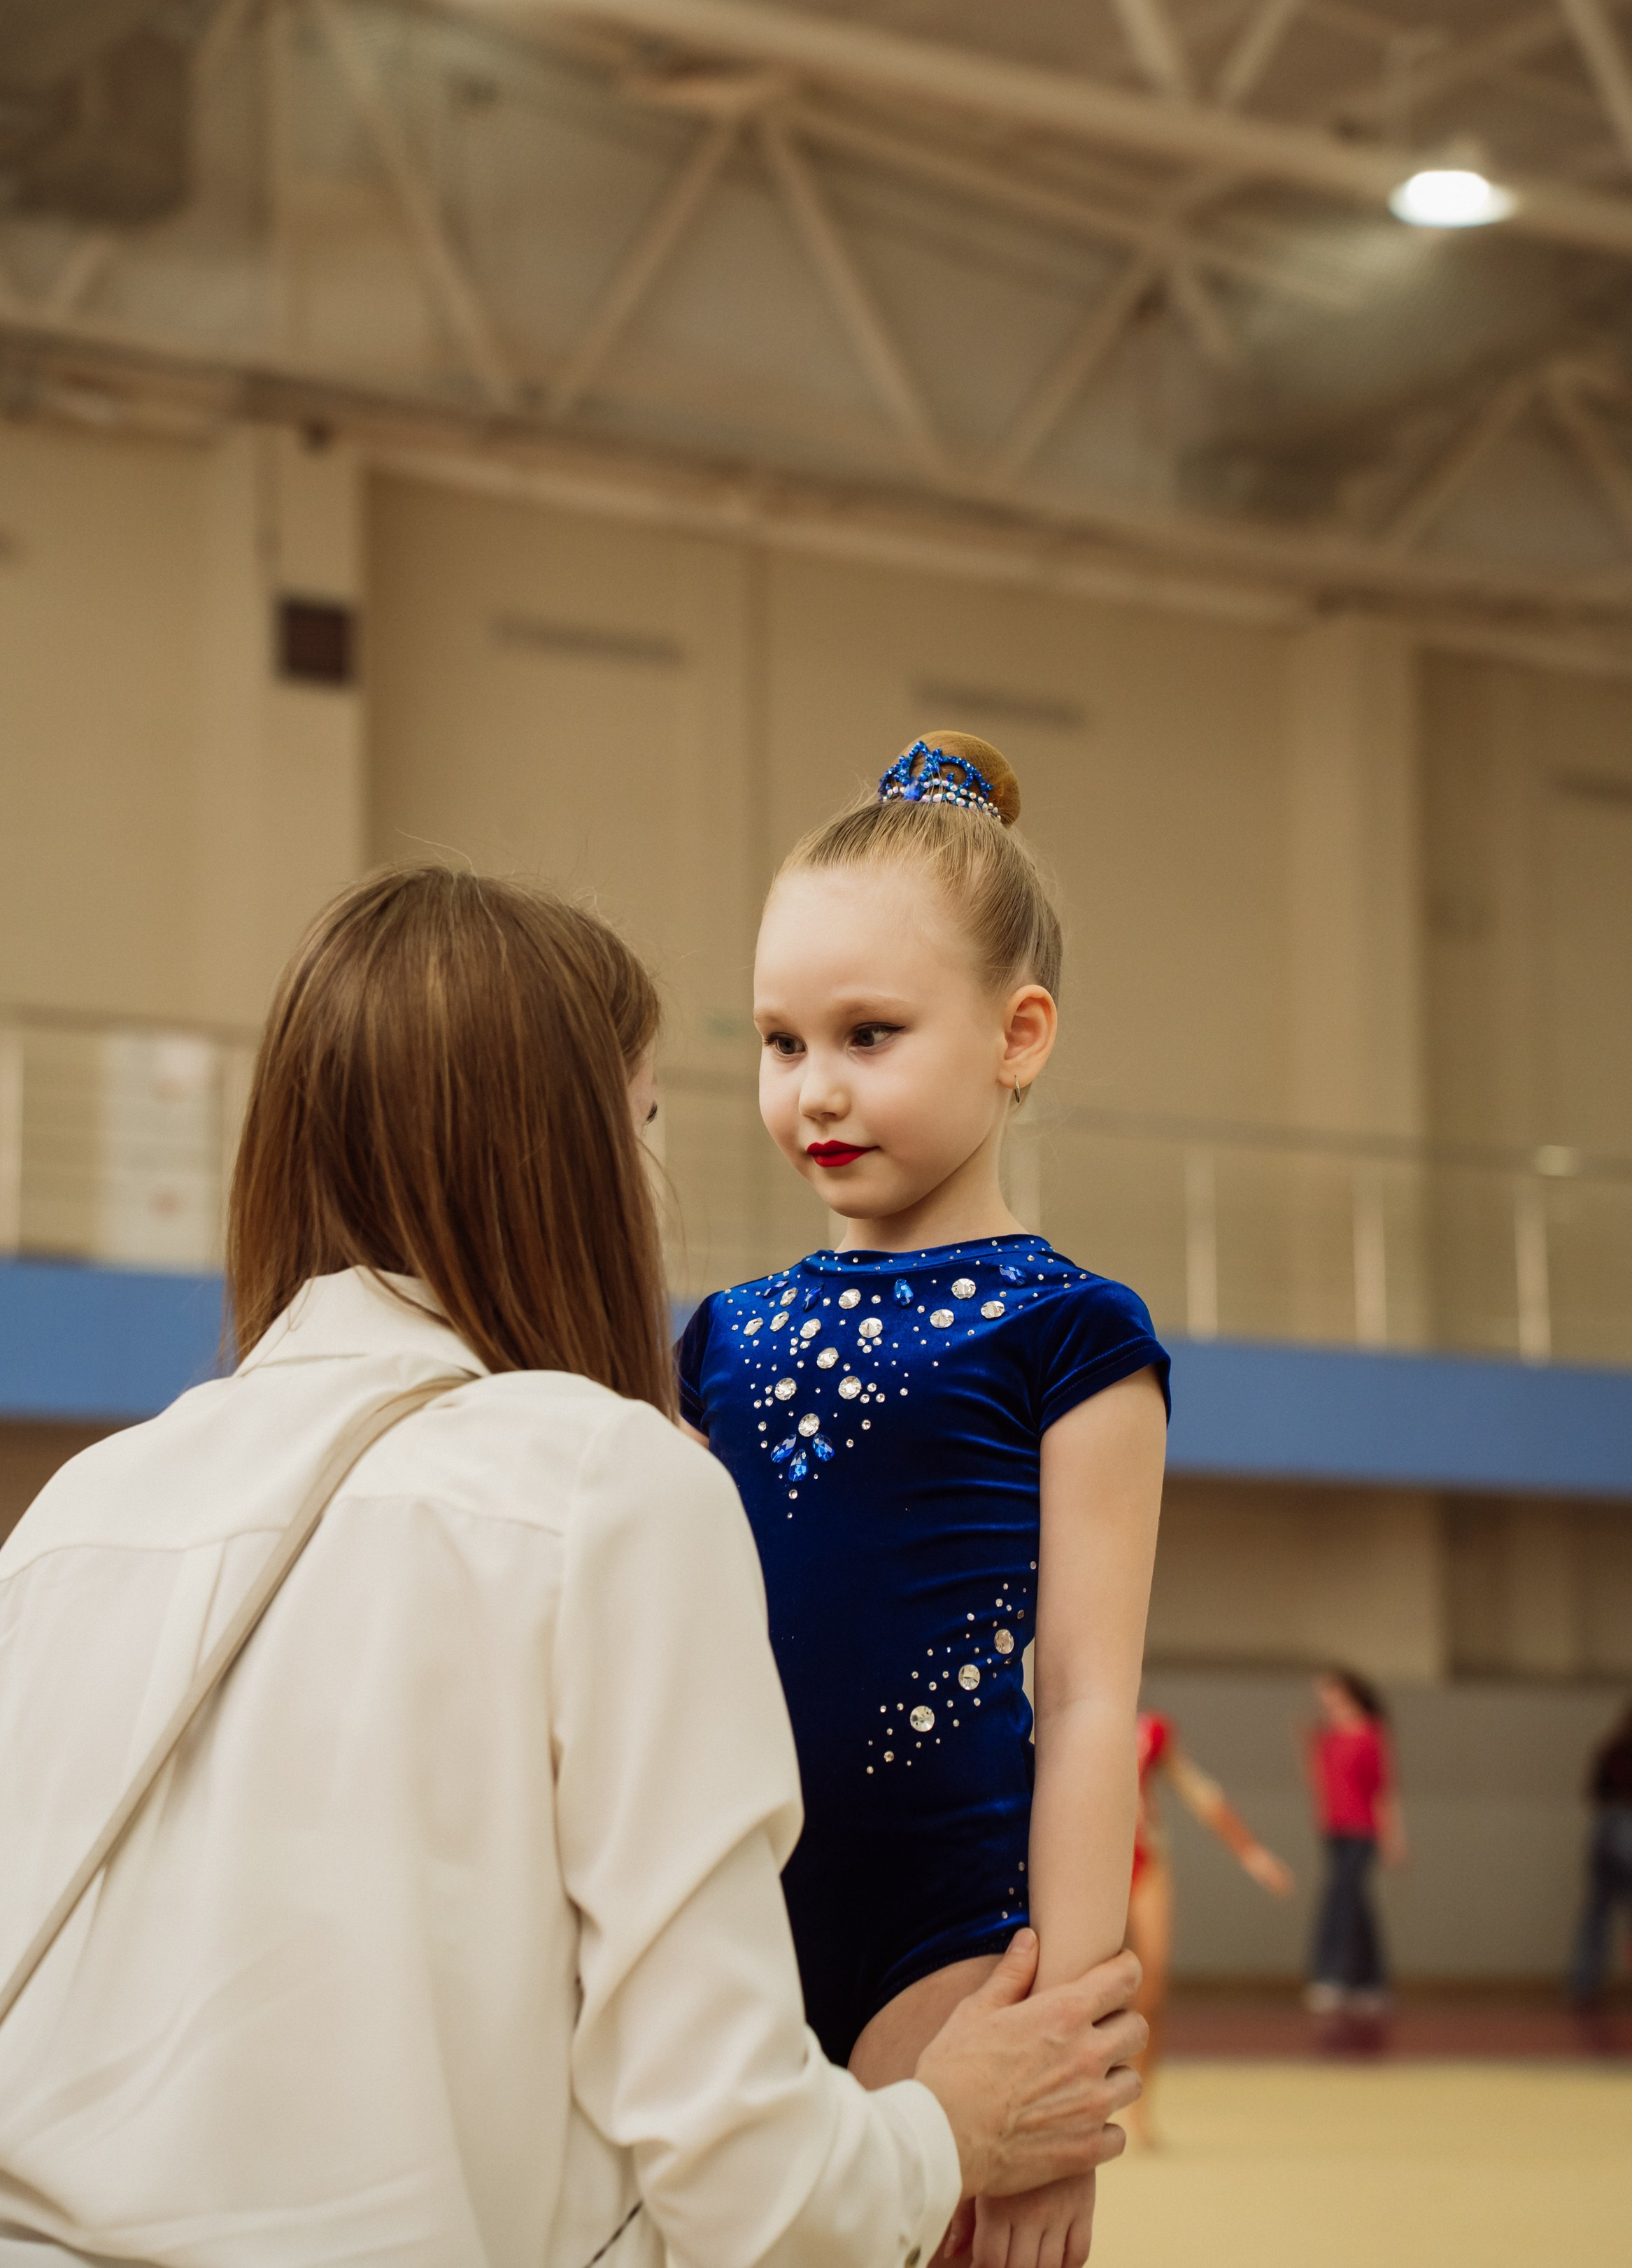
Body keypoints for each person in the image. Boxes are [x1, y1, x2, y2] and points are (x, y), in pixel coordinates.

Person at [0, 867, 1148, 2268]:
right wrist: (952, 2128)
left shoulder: (77, 1514)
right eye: (647, 1119)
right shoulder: (609, 1485)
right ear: (563, 1154)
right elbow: (743, 2184)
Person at [679, 734, 1169, 2268]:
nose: (813, 1090)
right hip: (720, 1920)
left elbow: (1090, 1703)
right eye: (776, 1042)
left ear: (1016, 1035)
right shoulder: (713, 1337)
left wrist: (1060, 2083)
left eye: (867, 1035)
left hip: (947, 1945)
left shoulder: (1068, 1333)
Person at [1124, 1709, 1293, 2144]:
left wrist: (1252, 1853)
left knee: (1153, 1987)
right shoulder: (1064, 1718)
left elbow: (1200, 1793)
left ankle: (1139, 2108)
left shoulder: (1151, 1731)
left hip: (1145, 1862)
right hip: (1092, 1864)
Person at [1303, 1667, 1405, 2016]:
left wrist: (1394, 1837)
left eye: (1329, 1692)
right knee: (1357, 1906)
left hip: (1363, 1832)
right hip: (1334, 1830)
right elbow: (1320, 1782)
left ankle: (1332, 1977)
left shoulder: (1371, 1733)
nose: (1323, 1700)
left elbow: (1383, 1790)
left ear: (1346, 1692)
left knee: (1340, 1900)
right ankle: (1372, 1983)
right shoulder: (1326, 1736)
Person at [1568, 1698, 1632, 2009]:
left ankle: (1583, 1982)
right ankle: (1583, 1982)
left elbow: (1592, 1791)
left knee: (1596, 1912)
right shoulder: (1614, 1751)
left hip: (1605, 1830)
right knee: (1603, 1911)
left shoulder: (1610, 1749)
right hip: (1622, 1827)